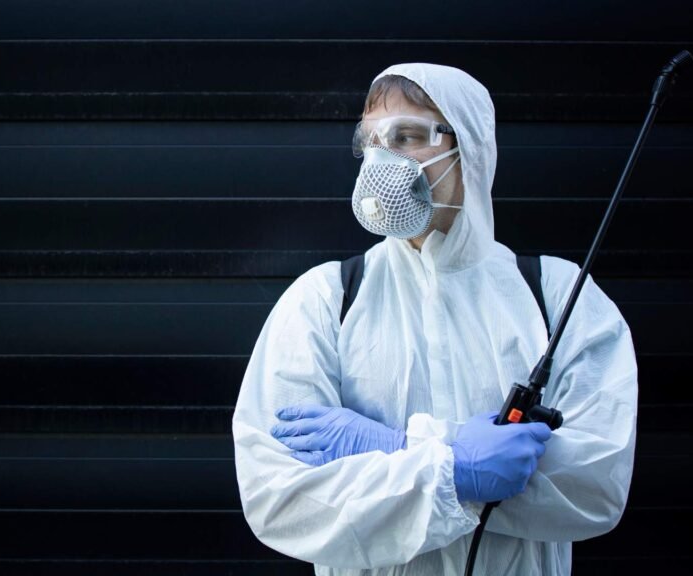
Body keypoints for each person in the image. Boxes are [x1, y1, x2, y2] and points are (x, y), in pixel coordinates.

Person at [231, 63, 638, 575]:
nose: (383, 158)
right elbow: (281, 499)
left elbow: (596, 485)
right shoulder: (325, 300)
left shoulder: (559, 298)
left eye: (406, 135)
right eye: (372, 141)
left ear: (468, 145)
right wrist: (456, 467)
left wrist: (401, 449)